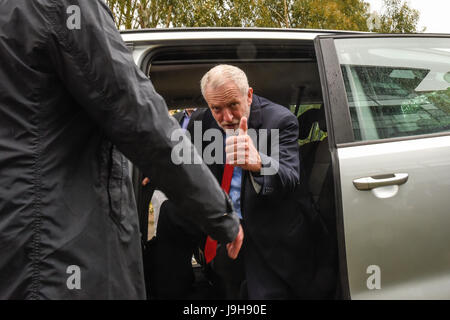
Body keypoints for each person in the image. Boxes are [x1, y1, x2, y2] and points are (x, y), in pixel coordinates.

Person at [0, 1, 242, 299]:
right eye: (218, 107)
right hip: (57, 254)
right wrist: (221, 215)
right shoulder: (61, 7)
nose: (225, 116)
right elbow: (139, 117)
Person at [153, 65, 309, 299]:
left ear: (248, 95)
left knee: (251, 291)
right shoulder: (203, 119)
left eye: (233, 105)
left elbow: (289, 177)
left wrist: (258, 163)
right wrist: (156, 165)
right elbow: (185, 156)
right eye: (217, 108)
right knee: (170, 213)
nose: (226, 118)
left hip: (262, 224)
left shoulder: (280, 120)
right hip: (221, 212)